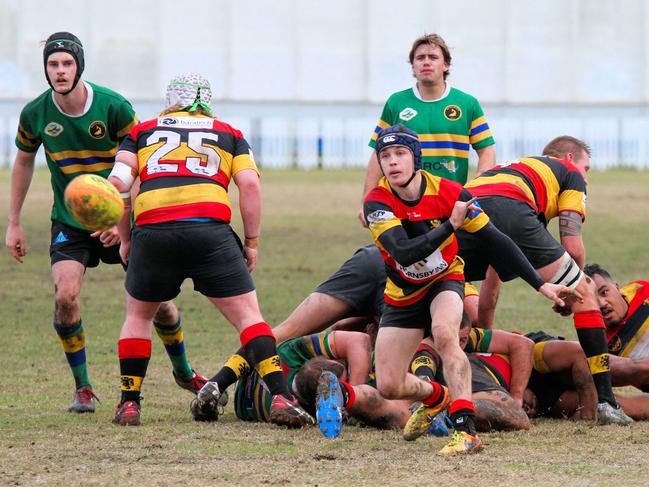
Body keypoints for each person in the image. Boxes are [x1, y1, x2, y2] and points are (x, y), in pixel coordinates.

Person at [4, 32, 204, 414]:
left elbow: (142, 162)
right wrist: (13, 221)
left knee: (158, 303)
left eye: (66, 63)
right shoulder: (35, 113)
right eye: (52, 64)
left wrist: (124, 217)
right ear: (45, 69)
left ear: (79, 66)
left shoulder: (113, 107)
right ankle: (83, 388)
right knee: (65, 297)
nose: (60, 71)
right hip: (70, 221)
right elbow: (24, 160)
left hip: (120, 218)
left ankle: (183, 371)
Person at [107, 72, 312, 428]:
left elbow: (120, 184)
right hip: (210, 231)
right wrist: (251, 242)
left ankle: (129, 403)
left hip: (153, 231)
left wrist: (125, 238)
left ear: (170, 98)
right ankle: (280, 396)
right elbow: (249, 185)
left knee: (139, 317)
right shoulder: (229, 133)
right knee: (250, 319)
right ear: (207, 100)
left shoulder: (141, 132)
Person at [362, 124, 577, 455]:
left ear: (415, 157)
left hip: (446, 277)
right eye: (385, 155)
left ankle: (465, 430)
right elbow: (404, 252)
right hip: (403, 292)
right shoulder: (376, 203)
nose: (392, 162)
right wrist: (451, 225)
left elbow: (497, 240)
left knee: (445, 333)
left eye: (400, 154)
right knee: (390, 384)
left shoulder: (451, 193)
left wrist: (541, 284)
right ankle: (436, 397)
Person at [461, 137, 633, 425]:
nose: (586, 178)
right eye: (586, 168)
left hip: (465, 207)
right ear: (569, 158)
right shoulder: (569, 174)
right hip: (509, 208)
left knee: (443, 286)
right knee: (586, 291)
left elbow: (490, 290)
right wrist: (573, 293)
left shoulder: (518, 172)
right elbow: (573, 246)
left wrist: (486, 337)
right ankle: (606, 402)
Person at [359, 33, 496, 226]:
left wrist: (478, 190)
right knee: (409, 253)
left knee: (455, 254)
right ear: (413, 66)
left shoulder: (467, 104)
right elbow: (378, 152)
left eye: (433, 57)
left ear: (446, 65)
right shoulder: (396, 102)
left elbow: (486, 150)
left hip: (450, 200)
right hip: (403, 202)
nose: (426, 62)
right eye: (420, 58)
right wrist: (367, 199)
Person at [584, 264, 649, 372]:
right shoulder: (599, 342)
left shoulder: (641, 289)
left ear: (617, 288)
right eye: (592, 301)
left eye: (604, 292)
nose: (601, 304)